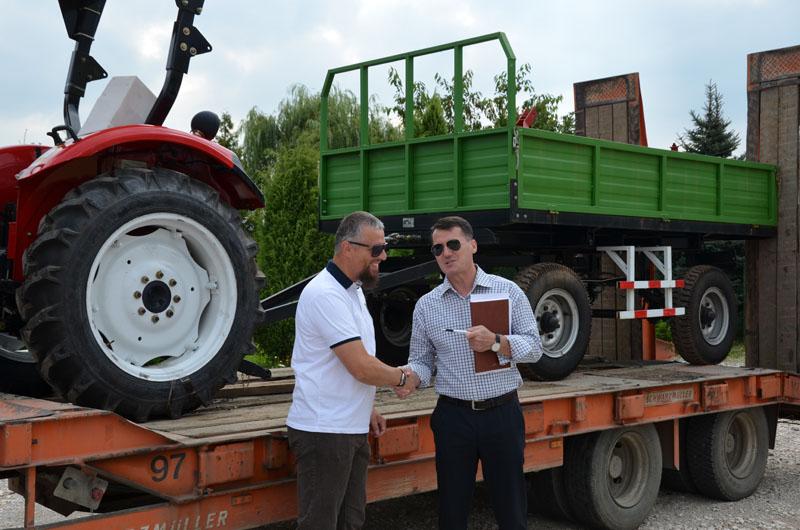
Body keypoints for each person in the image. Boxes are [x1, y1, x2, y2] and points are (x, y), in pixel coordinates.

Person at [402, 216, 543, 530]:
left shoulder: (507, 292)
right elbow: (422, 362)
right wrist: (408, 378)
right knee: (451, 512)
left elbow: (535, 348)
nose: (446, 253)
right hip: (454, 419)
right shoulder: (427, 305)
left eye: (453, 244)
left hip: (502, 415)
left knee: (512, 512)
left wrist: (496, 342)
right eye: (438, 249)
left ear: (473, 245)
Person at [287, 210, 416, 530]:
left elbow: (348, 364)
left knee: (351, 521)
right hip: (325, 432)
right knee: (320, 524)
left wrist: (367, 406)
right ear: (347, 248)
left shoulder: (352, 290)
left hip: (349, 428)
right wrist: (401, 377)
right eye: (376, 249)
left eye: (384, 248)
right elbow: (359, 365)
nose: (383, 256)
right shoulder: (325, 294)